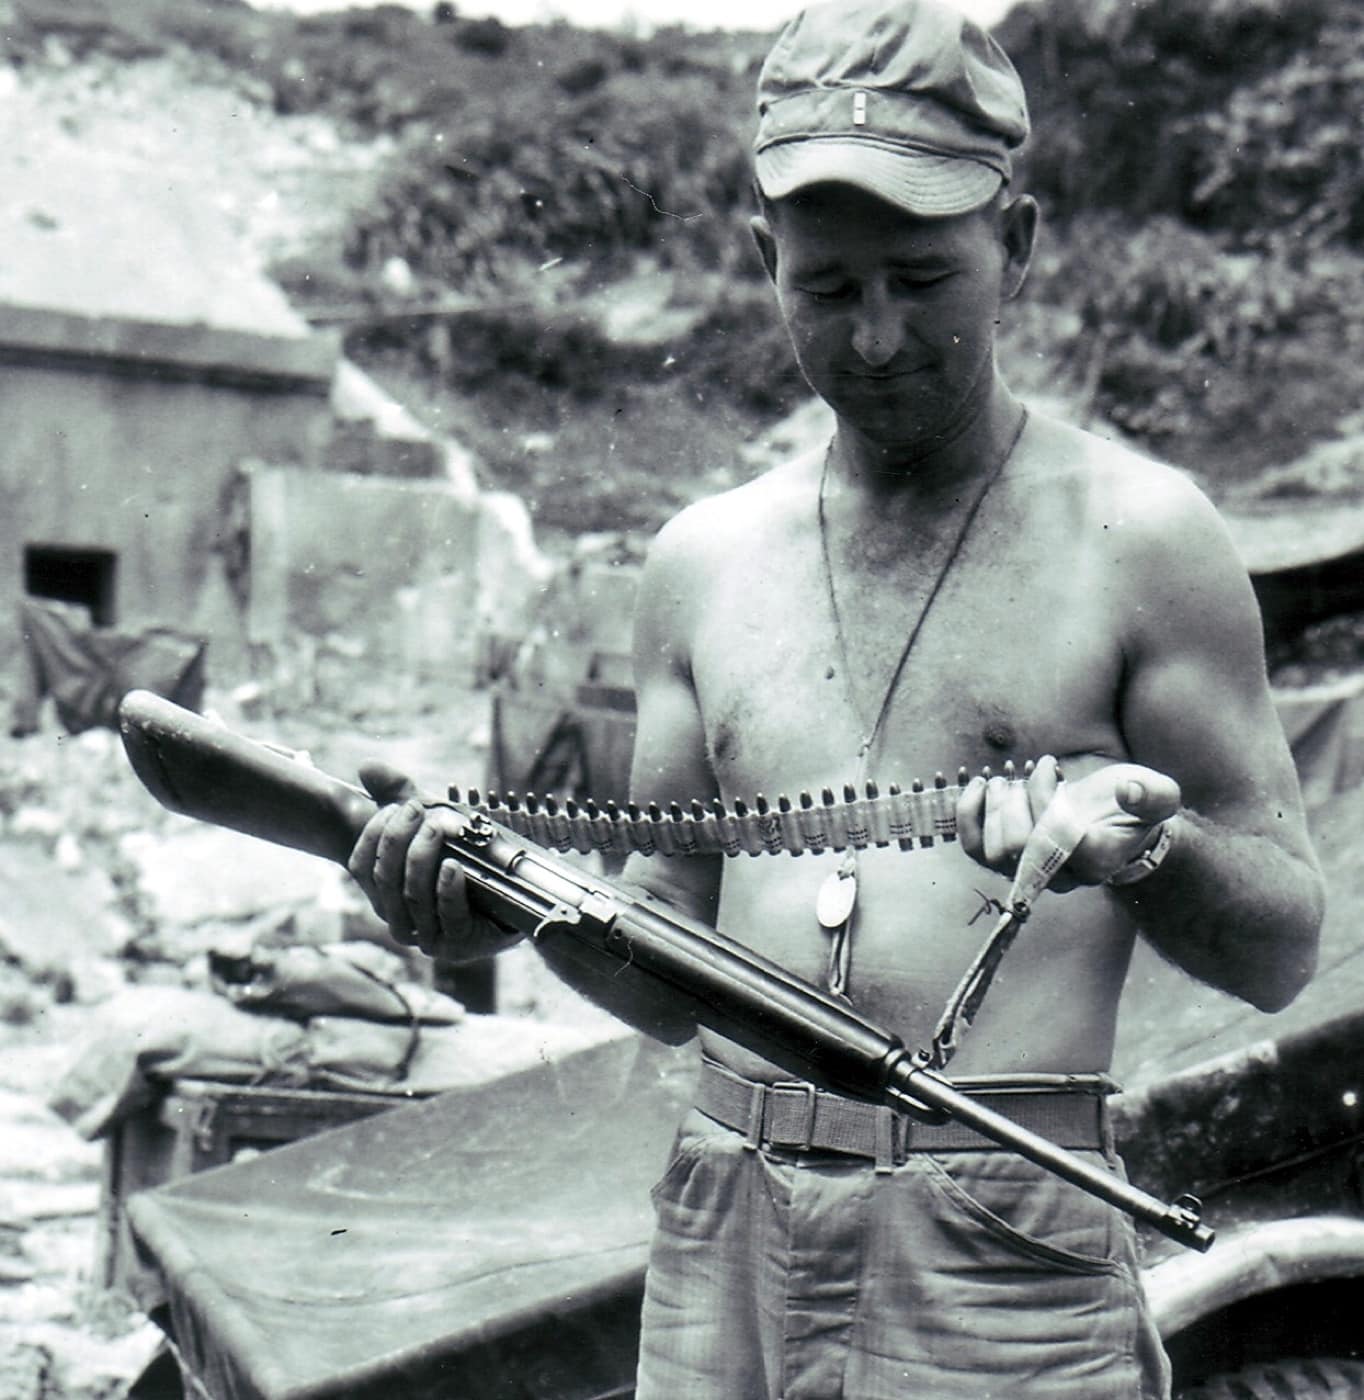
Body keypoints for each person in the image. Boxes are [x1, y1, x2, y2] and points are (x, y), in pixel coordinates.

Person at [349, 1, 1325, 1394]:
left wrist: (1148, 850)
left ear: (1020, 246)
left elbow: (1283, 944)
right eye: (828, 288)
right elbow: (665, 949)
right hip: (724, 1222)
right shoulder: (699, 563)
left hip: (999, 1247)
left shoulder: (1147, 541)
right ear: (764, 262)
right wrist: (474, 906)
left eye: (924, 280)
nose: (875, 340)